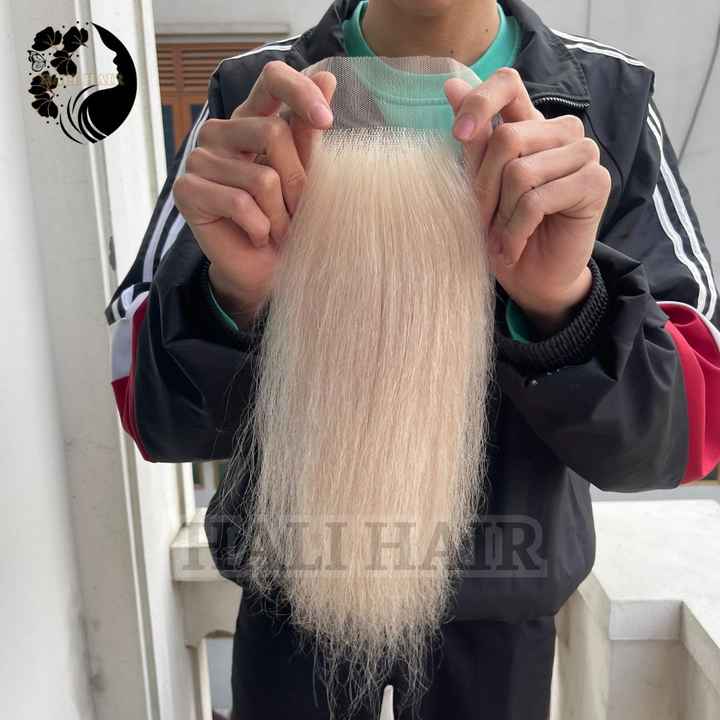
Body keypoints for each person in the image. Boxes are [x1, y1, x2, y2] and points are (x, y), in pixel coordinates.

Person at [106, 0, 720, 718]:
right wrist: (231, 297)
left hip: (500, 623)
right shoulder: (250, 94)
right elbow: (146, 402)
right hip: (291, 608)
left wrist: (566, 305)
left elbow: (689, 422)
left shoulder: (610, 104)